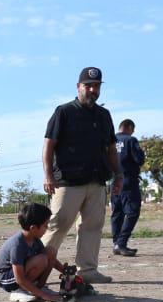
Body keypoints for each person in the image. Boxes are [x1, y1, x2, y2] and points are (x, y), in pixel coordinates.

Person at [42, 67, 123, 283]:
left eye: (96, 86)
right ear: (78, 87)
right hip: (68, 182)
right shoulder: (64, 112)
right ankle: (38, 268)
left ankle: (87, 271)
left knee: (92, 227)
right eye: (88, 85)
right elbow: (48, 145)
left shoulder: (104, 115)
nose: (92, 90)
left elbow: (111, 149)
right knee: (58, 225)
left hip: (97, 182)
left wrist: (119, 175)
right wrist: (48, 176)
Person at [0, 201, 66, 302]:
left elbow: (51, 258)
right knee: (41, 260)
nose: (47, 229)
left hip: (21, 273)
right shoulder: (17, 244)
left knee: (50, 251)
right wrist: (45, 296)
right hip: (7, 279)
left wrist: (66, 271)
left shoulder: (35, 239)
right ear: (33, 228)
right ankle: (19, 291)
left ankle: (38, 288)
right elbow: (19, 278)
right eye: (45, 226)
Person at [111, 119, 145, 257]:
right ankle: (121, 243)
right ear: (129, 127)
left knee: (117, 213)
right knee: (132, 212)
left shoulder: (111, 140)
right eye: (133, 129)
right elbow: (139, 159)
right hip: (128, 181)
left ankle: (116, 244)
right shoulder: (131, 140)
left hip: (114, 182)